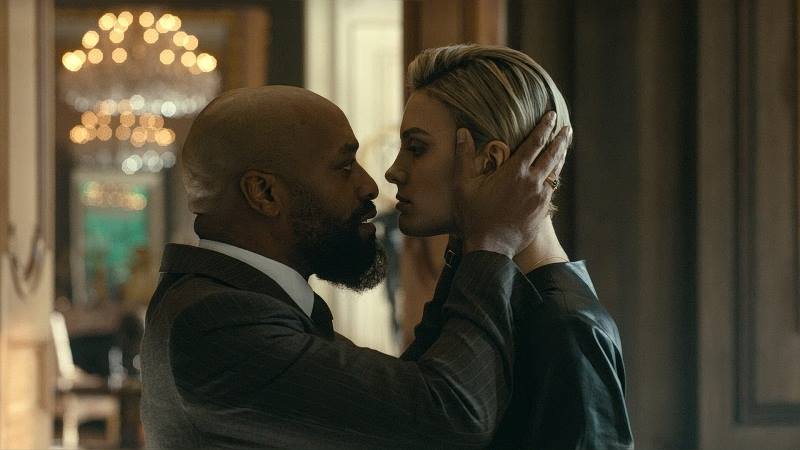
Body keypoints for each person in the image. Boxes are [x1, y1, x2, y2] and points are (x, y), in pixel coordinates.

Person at [139, 85, 570, 448]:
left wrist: (468, 232)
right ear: (264, 193)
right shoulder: (215, 323)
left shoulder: (228, 303)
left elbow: (403, 397)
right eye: (344, 166)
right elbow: (449, 416)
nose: (370, 184)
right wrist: (491, 242)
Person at [386, 44, 634, 449]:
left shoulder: (565, 327)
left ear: (490, 161)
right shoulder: (477, 292)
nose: (393, 171)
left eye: (416, 148)